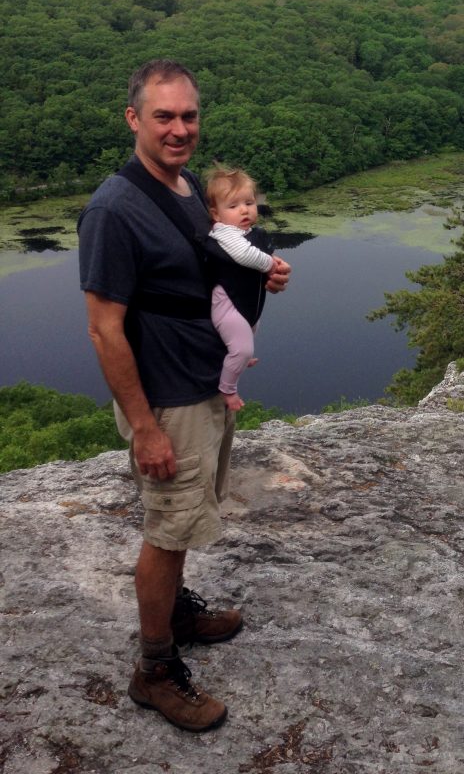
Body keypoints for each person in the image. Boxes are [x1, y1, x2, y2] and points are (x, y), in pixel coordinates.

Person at [77, 59, 291, 732]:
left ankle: (174, 612)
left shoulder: (188, 187)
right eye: (163, 116)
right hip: (165, 397)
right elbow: (104, 329)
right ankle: (155, 670)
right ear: (133, 118)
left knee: (188, 512)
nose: (179, 129)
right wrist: (144, 427)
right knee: (167, 532)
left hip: (200, 386)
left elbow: (208, 266)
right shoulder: (114, 210)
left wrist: (262, 279)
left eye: (189, 116)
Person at [205, 165, 285, 413]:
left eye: (249, 203)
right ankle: (227, 390)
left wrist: (275, 261)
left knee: (251, 329)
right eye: (233, 206)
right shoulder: (224, 233)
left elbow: (257, 249)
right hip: (227, 303)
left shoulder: (248, 232)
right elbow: (245, 255)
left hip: (245, 302)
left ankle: (238, 357)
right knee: (242, 348)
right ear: (216, 214)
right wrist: (271, 263)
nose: (244, 210)